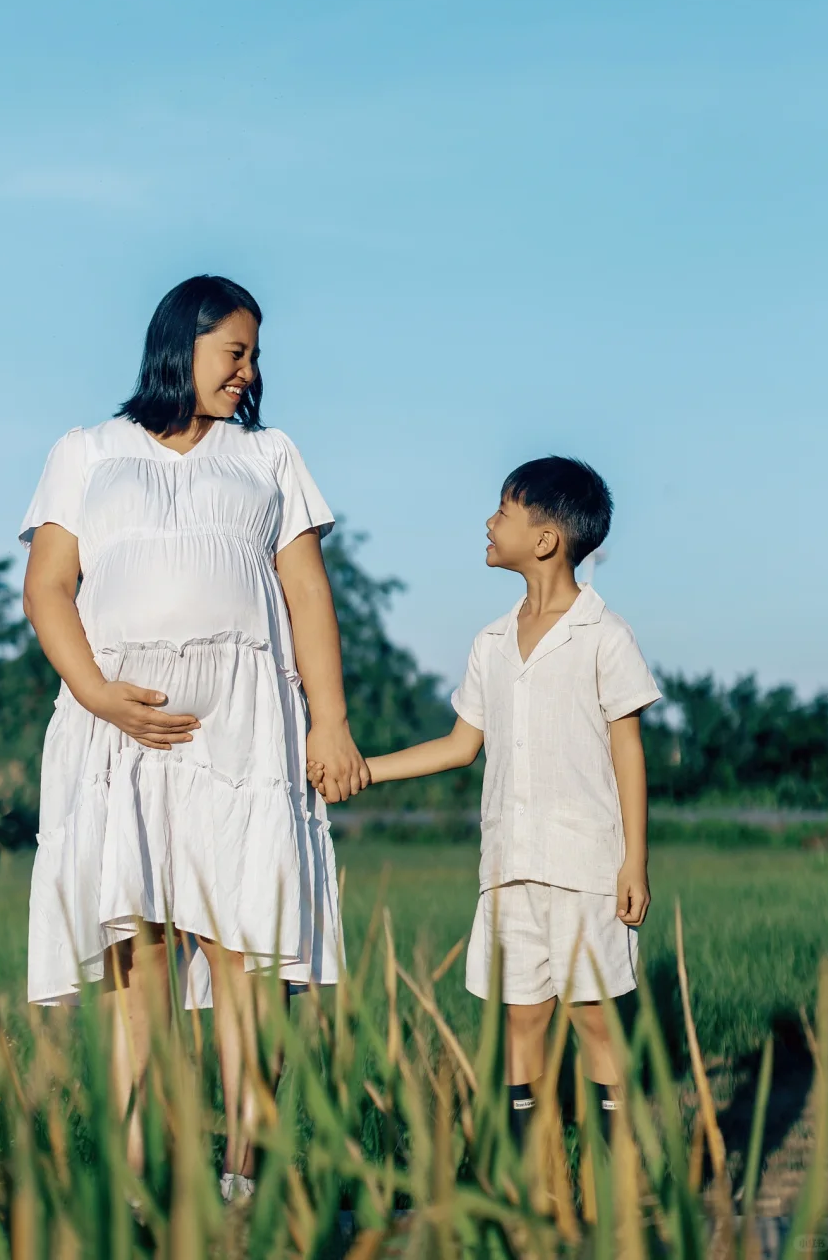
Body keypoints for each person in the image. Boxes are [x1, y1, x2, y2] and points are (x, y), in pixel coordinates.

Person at [20, 274, 368, 1199]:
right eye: (237, 350)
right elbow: (49, 587)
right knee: (138, 956)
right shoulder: (86, 451)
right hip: (121, 731)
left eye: (255, 356)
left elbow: (306, 597)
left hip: (247, 729)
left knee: (245, 952)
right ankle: (139, 1178)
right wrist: (97, 693)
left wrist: (329, 720)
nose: (250, 372)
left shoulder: (270, 457)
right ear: (185, 343)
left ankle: (240, 1175)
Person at [310, 456, 659, 1142]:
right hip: (507, 867)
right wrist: (363, 769)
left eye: (503, 510)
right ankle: (535, 1179)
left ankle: (620, 1179)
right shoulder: (491, 642)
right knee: (521, 1018)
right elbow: (459, 744)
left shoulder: (604, 635)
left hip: (586, 867)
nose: (489, 522)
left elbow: (628, 749)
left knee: (594, 1018)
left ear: (548, 538)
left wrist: (633, 862)